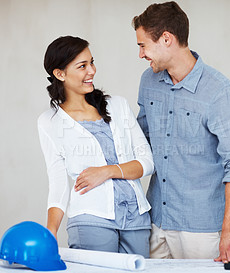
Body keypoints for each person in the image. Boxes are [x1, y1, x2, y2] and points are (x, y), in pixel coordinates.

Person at [132, 1, 230, 263]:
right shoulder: (148, 82)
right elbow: (139, 142)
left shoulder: (220, 92)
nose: (141, 54)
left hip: (201, 229)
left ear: (166, 39)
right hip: (155, 222)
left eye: (143, 45)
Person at [38, 36, 154, 257]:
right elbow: (58, 182)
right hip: (91, 219)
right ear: (59, 74)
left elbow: (147, 162)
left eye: (91, 62)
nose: (92, 70)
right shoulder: (49, 122)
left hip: (137, 218)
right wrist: (51, 231)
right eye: (82, 66)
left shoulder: (118, 106)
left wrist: (106, 172)